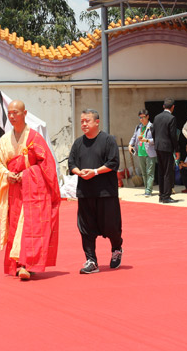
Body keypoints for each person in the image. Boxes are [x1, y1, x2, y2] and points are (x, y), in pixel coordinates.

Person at [0, 100, 61, 280]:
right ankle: (16, 264)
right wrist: (7, 174)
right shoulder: (5, 139)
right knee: (14, 225)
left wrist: (26, 174)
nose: (12, 116)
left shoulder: (34, 138)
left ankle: (27, 265)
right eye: (9, 113)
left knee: (30, 225)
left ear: (25, 113)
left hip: (33, 189)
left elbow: (46, 164)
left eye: (15, 112)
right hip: (13, 189)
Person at [68, 109, 123, 274]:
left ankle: (117, 248)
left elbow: (113, 162)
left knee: (111, 226)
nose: (84, 124)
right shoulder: (78, 143)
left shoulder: (108, 140)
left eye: (87, 121)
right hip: (85, 193)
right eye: (82, 121)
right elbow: (71, 163)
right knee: (86, 228)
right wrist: (79, 172)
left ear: (97, 122)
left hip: (106, 193)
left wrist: (95, 172)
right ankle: (91, 261)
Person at [153, 98, 180, 204]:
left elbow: (153, 132)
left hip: (158, 147)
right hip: (167, 148)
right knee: (168, 172)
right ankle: (166, 196)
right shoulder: (172, 118)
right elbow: (173, 136)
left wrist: (156, 143)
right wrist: (176, 149)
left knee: (161, 171)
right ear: (173, 107)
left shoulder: (156, 117)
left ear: (164, 106)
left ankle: (161, 195)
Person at [128, 110, 156, 197]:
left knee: (150, 172)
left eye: (143, 117)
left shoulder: (152, 126)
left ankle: (149, 190)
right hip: (140, 152)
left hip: (150, 153)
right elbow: (134, 137)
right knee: (144, 173)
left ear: (147, 116)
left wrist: (146, 140)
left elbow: (156, 139)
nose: (141, 119)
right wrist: (130, 145)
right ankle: (146, 188)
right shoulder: (138, 127)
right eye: (140, 117)